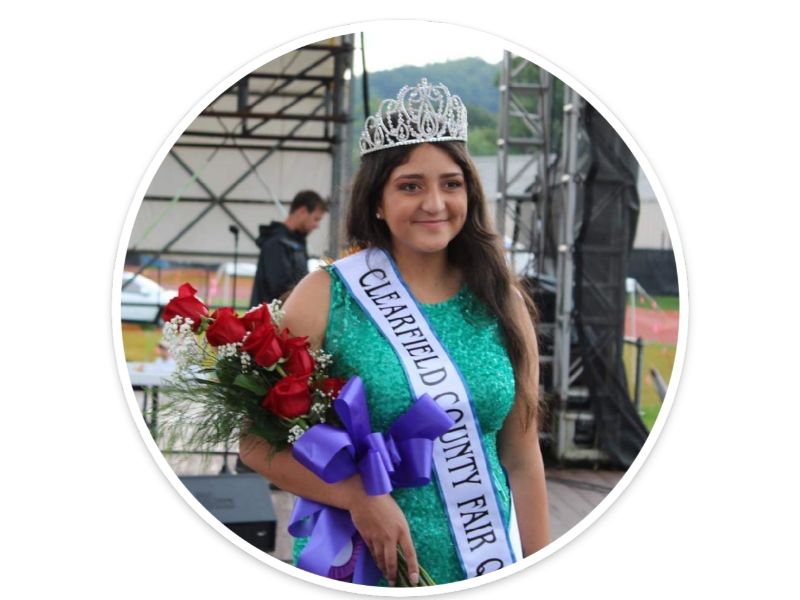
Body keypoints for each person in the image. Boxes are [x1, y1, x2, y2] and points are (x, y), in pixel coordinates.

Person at [240, 79, 549, 586]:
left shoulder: (503, 302)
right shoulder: (326, 295)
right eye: (410, 186)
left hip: (482, 565)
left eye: (451, 184)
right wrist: (356, 496)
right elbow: (255, 444)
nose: (435, 202)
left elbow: (521, 456)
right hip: (359, 564)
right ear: (377, 201)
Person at [249, 190, 327, 307]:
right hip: (274, 315)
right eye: (316, 219)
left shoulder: (297, 242)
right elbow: (280, 289)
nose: (317, 225)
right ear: (302, 211)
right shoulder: (276, 243)